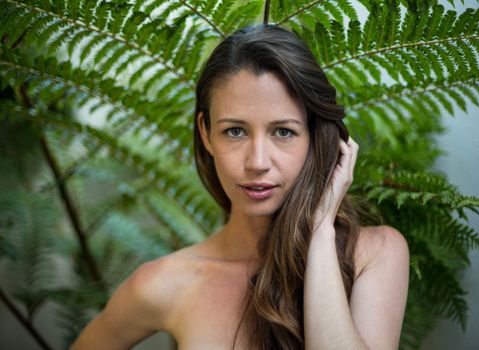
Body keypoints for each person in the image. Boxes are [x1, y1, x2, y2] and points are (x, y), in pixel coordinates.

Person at [71, 24, 409, 350]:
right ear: (206, 133)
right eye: (235, 131)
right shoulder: (164, 283)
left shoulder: (375, 254)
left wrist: (319, 230)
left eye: (283, 132)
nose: (257, 161)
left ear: (316, 136)